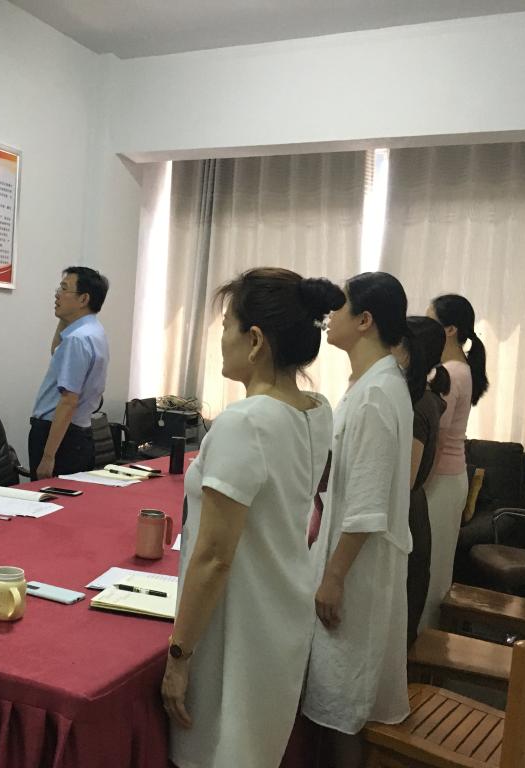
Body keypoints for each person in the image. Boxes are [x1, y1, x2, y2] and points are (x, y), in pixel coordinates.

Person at [161, 267, 343, 768]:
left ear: (256, 340)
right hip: (281, 611)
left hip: (236, 627)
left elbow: (214, 557)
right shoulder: (317, 409)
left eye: (227, 326)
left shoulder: (246, 422)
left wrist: (179, 656)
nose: (221, 339)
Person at [303, 272, 417, 768]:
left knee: (343, 703)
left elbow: (367, 507)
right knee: (339, 696)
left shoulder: (375, 394)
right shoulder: (373, 383)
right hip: (354, 564)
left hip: (356, 572)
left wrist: (333, 577)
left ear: (365, 320)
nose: (331, 316)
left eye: (341, 307)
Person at [419, 293, 489, 630]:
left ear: (449, 329)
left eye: (429, 318)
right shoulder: (460, 369)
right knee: (437, 563)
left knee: (429, 565)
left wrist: (417, 483)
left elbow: (436, 437)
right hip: (451, 476)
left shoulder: (451, 373)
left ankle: (425, 637)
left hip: (441, 479)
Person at [393, 317, 451, 647]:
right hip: (414, 509)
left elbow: (408, 477)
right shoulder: (424, 397)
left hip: (407, 514)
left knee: (401, 623)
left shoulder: (416, 404)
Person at [28, 267, 109, 480]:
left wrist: (48, 456)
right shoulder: (94, 331)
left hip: (61, 438)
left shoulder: (77, 339)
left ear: (83, 299)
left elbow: (68, 401)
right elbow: (56, 350)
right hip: (78, 434)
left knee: (48, 497)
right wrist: (64, 316)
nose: (57, 294)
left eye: (64, 289)